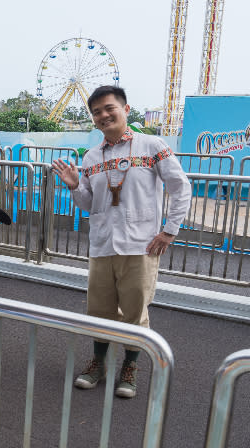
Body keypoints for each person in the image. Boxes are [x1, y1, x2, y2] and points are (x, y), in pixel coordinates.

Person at [52, 86, 191, 399]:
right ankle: (98, 363)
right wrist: (75, 187)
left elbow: (181, 188)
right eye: (97, 112)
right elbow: (90, 204)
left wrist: (169, 230)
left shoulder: (153, 146)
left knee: (134, 310)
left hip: (141, 245)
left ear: (126, 109)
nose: (103, 115)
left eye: (108, 108)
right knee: (98, 309)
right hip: (102, 244)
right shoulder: (91, 157)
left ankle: (130, 366)